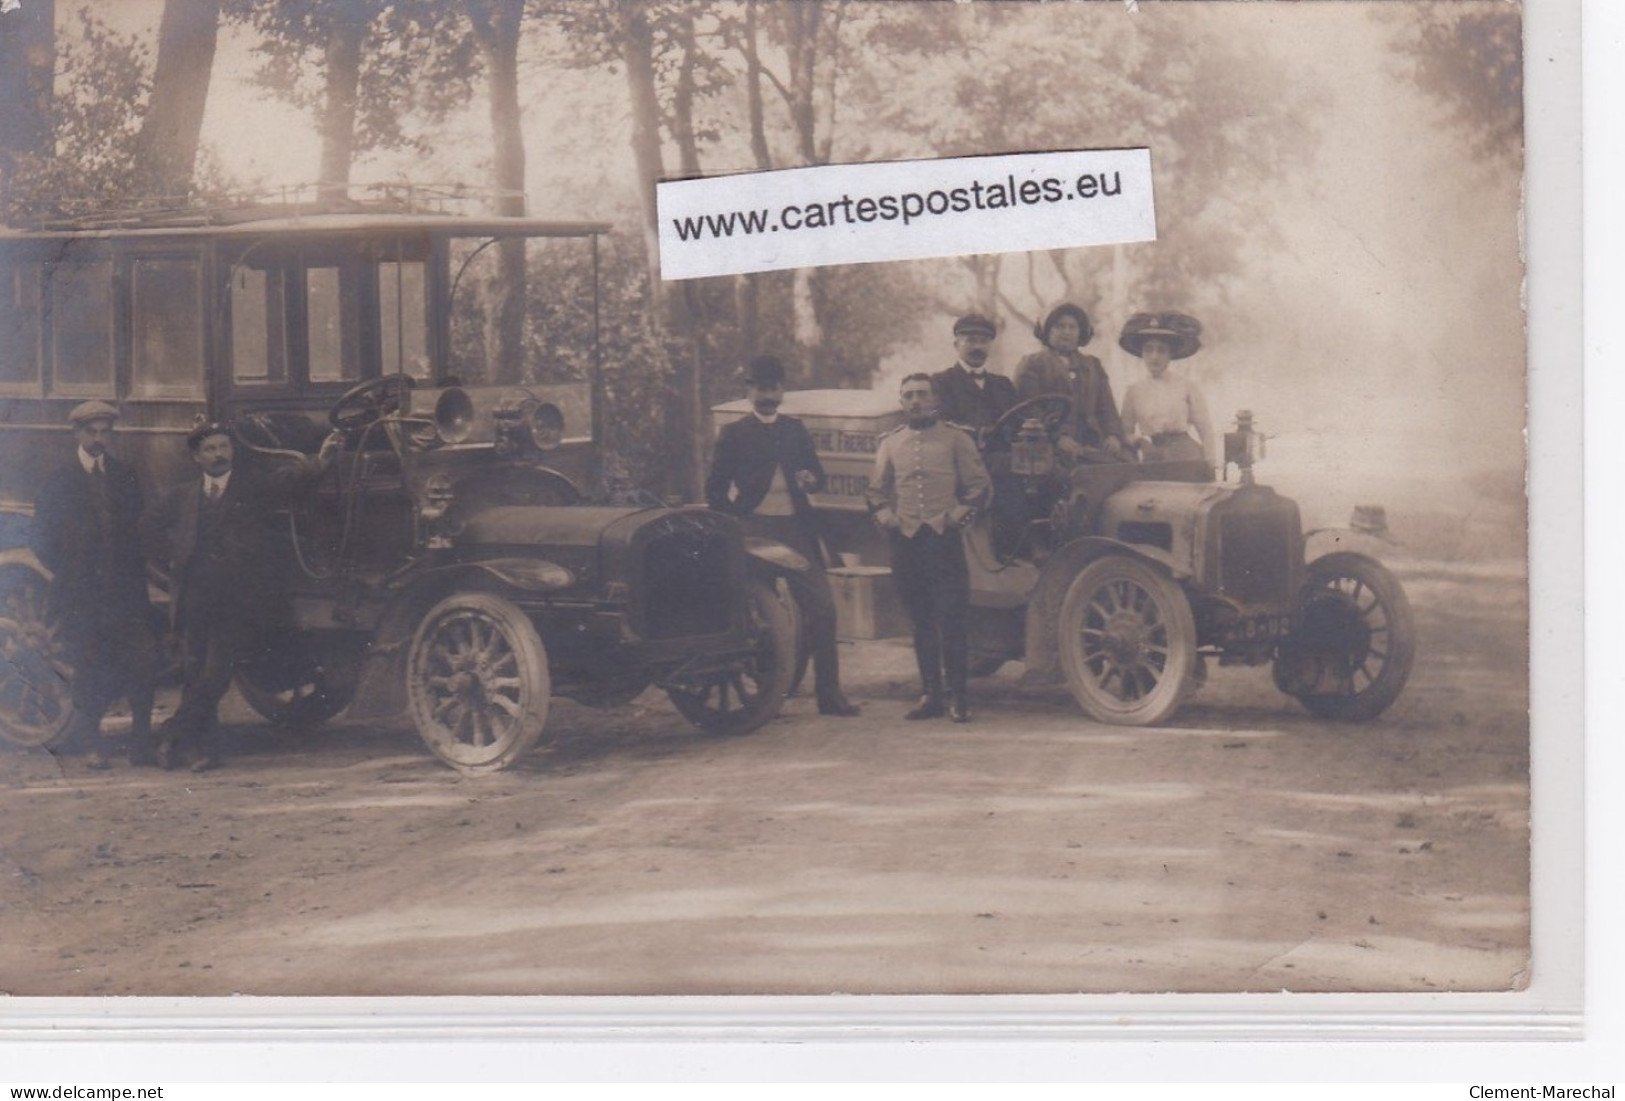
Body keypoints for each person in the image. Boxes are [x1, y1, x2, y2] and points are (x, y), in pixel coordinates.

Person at [147, 420, 343, 771]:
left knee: (216, 673)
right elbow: (147, 529)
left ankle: (173, 733)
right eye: (210, 449)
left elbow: (291, 483)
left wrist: (321, 461)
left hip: (236, 600)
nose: (219, 455)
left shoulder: (251, 488)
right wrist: (176, 560)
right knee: (195, 672)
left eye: (224, 447)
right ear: (197, 456)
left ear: (233, 451)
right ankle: (194, 749)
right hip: (194, 598)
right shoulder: (183, 496)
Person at [705, 355, 860, 717]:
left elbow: (816, 475)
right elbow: (714, 490)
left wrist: (811, 479)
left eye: (773, 387)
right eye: (760, 387)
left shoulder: (795, 429)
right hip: (755, 532)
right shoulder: (734, 433)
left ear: (782, 390)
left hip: (796, 530)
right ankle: (767, 696)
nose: (767, 394)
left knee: (822, 609)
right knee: (760, 615)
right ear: (749, 390)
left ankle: (830, 694)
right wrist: (737, 524)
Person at [30, 401, 159, 769]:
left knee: (142, 665)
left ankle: (141, 745)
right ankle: (92, 746)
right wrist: (71, 572)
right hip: (82, 596)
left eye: (105, 433)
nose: (99, 440)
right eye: (92, 432)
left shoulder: (125, 476)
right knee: (89, 671)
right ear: (77, 434)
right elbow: (41, 539)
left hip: (126, 593)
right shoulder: (60, 481)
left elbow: (138, 530)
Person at [866, 373, 992, 724]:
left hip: (943, 541)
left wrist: (954, 517)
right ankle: (930, 694)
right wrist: (886, 516)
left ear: (935, 400)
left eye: (922, 394)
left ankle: (959, 697)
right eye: (909, 396)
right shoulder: (890, 443)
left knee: (951, 619)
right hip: (906, 543)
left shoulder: (956, 438)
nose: (916, 401)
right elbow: (875, 490)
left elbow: (979, 487)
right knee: (920, 621)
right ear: (902, 402)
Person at [1013, 303, 1129, 460]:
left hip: (1093, 442)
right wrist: (1057, 437)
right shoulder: (1033, 364)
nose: (1066, 332)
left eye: (1072, 327)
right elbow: (1029, 410)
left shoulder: (1093, 365)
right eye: (1059, 326)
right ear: (1047, 331)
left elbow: (1107, 408)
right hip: (1049, 445)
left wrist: (1113, 435)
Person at [1117, 311, 1217, 471]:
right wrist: (1137, 440)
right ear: (1142, 354)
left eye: (1161, 350)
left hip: (1186, 456)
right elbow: (1124, 432)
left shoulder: (1187, 386)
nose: (1154, 356)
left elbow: (1205, 429)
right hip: (1151, 457)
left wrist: (1211, 463)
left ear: (1170, 354)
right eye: (1148, 350)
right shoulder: (1134, 391)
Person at [932, 313, 1018, 432]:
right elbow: (942, 426)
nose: (978, 347)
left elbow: (1015, 425)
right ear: (956, 345)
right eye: (970, 341)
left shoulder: (1004, 385)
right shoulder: (940, 382)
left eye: (984, 341)